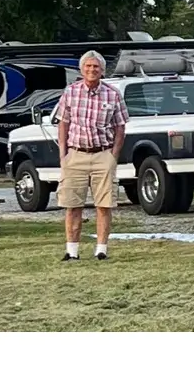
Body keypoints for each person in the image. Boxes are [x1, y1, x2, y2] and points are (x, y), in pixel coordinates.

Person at [57, 50, 126, 261]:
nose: (92, 70)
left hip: (102, 154)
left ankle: (101, 249)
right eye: (88, 66)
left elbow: (120, 128)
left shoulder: (113, 94)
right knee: (72, 204)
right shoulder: (71, 92)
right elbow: (63, 123)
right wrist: (63, 155)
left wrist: (113, 156)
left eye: (96, 67)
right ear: (81, 69)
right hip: (76, 154)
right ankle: (72, 251)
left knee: (104, 205)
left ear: (102, 70)